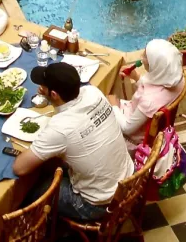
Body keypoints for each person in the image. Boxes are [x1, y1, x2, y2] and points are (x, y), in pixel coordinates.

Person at [13, 62, 135, 221]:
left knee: (31, 191)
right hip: (127, 180)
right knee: (53, 162)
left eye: (43, 86)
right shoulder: (93, 92)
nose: (40, 88)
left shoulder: (60, 128)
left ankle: (43, 231)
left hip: (96, 204)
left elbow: (19, 168)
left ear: (55, 94)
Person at [106, 39, 185, 149]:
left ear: (157, 66)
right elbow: (155, 89)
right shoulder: (178, 80)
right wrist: (136, 77)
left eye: (146, 56)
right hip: (143, 119)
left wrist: (113, 105)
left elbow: (127, 128)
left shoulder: (149, 102)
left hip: (136, 138)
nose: (142, 57)